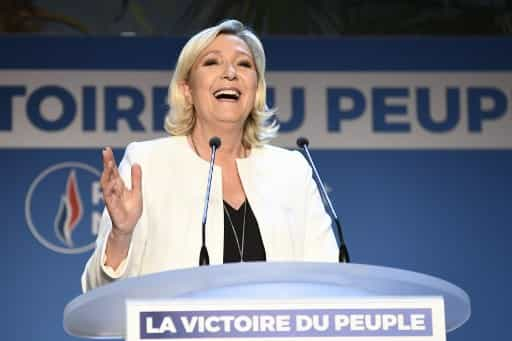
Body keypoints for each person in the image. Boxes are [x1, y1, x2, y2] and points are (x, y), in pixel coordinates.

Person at [81, 19, 338, 292]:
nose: (230, 72)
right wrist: (121, 235)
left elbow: (329, 279)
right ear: (187, 90)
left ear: (256, 90)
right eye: (212, 62)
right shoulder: (148, 163)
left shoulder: (291, 170)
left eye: (244, 64)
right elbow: (97, 290)